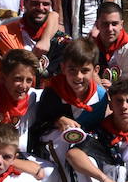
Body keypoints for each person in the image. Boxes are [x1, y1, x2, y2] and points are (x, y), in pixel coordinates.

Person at [28, 37, 109, 172]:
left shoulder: (100, 98)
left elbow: (98, 127)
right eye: (72, 70)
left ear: (95, 70)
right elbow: (37, 129)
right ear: (63, 68)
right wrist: (56, 120)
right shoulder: (53, 93)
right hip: (52, 153)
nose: (78, 76)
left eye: (84, 71)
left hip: (84, 151)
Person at [92, 3, 128, 114]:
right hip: (98, 97)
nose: (110, 29)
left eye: (114, 24)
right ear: (97, 25)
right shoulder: (91, 46)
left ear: (121, 25)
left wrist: (113, 89)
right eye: (105, 24)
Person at [0, 0, 61, 72]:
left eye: (45, 4)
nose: (40, 8)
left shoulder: (58, 38)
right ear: (25, 3)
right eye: (35, 3)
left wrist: (45, 40)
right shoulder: (4, 34)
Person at [0, 48, 42, 157]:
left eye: (29, 80)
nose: (24, 86)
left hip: (24, 158)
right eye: (18, 79)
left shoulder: (35, 98)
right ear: (4, 78)